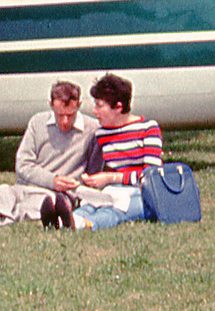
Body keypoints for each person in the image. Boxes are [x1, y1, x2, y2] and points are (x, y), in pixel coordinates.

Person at [0, 80, 98, 229]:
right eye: (59, 114)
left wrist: (74, 186)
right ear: (51, 105)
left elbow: (93, 173)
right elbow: (23, 164)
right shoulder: (38, 123)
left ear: (79, 105)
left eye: (70, 115)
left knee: (38, 204)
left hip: (56, 195)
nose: (64, 121)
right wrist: (52, 180)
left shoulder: (91, 129)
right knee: (3, 192)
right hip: (26, 186)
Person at [69, 73, 163, 231]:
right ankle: (66, 219)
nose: (94, 111)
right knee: (92, 204)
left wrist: (111, 178)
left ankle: (87, 224)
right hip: (113, 191)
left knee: (116, 209)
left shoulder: (148, 129)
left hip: (144, 193)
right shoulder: (101, 134)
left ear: (118, 107)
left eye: (99, 106)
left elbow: (150, 176)